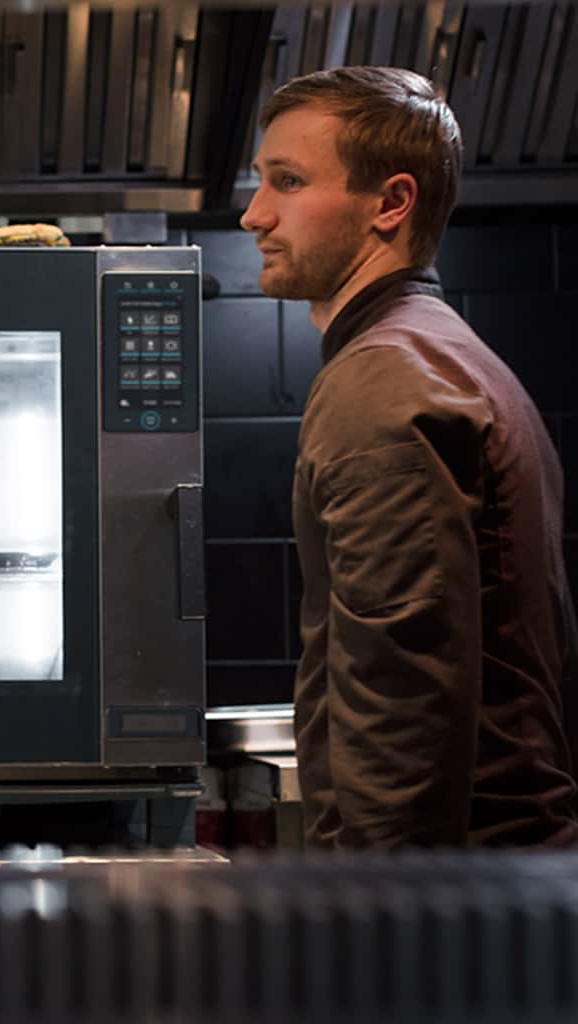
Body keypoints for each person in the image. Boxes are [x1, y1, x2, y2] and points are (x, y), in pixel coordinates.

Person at [240, 65, 578, 848]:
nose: (255, 214)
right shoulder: (443, 352)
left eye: (287, 181)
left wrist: (378, 922)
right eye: (260, 180)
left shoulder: (384, 381)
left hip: (458, 899)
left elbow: (401, 693)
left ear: (391, 202)